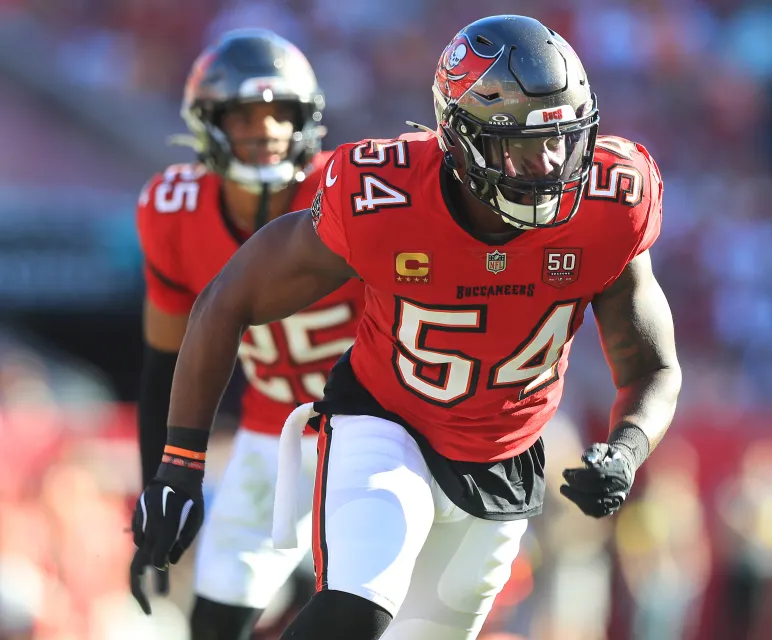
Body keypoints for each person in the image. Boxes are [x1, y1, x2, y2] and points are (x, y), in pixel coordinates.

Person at [131, 14, 682, 640]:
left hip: (505, 448)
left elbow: (653, 367)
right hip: (386, 419)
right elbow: (226, 299)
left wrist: (628, 448)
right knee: (356, 604)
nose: (552, 164)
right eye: (524, 146)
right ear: (462, 136)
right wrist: (178, 463)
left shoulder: (615, 198)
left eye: (564, 139)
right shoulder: (383, 195)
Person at [130, 29, 366, 638]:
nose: (265, 132)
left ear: (306, 121)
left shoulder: (351, 193)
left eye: (280, 114)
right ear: (209, 123)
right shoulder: (172, 208)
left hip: (380, 431)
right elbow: (165, 363)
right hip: (273, 436)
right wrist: (157, 487)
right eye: (244, 116)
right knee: (213, 621)